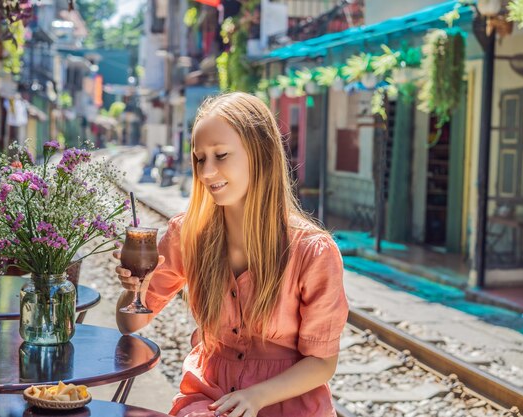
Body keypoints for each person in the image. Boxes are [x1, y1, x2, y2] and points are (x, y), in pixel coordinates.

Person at [114, 92, 348, 417]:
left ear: (260, 155)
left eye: (221, 155)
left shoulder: (312, 250)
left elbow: (322, 362)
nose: (207, 171)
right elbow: (130, 324)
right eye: (199, 158)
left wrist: (256, 397)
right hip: (208, 400)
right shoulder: (188, 234)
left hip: (288, 405)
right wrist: (134, 289)